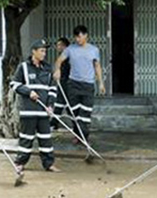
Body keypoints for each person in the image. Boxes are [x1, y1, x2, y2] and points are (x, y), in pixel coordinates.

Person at [10, 39, 59, 172]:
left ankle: (48, 164)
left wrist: (50, 105)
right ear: (34, 52)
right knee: (26, 138)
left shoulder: (48, 68)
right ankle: (20, 162)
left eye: (45, 51)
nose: (44, 54)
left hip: (43, 111)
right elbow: (14, 85)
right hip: (28, 111)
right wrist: (29, 92)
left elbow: (52, 89)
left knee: (46, 139)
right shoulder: (24, 67)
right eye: (42, 51)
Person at [53, 25, 105, 143]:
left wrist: (101, 83)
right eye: (76, 37)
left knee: (85, 113)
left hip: (88, 85)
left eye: (80, 36)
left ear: (86, 35)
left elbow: (97, 66)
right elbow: (59, 61)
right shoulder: (70, 49)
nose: (77, 39)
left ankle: (83, 136)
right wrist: (57, 70)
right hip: (73, 85)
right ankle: (79, 136)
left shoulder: (94, 50)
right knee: (75, 113)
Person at [51, 37, 71, 130]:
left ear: (65, 46)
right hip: (61, 83)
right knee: (60, 103)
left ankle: (78, 127)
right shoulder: (61, 57)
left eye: (60, 45)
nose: (58, 47)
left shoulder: (69, 57)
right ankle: (53, 123)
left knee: (67, 105)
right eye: (57, 45)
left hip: (67, 84)